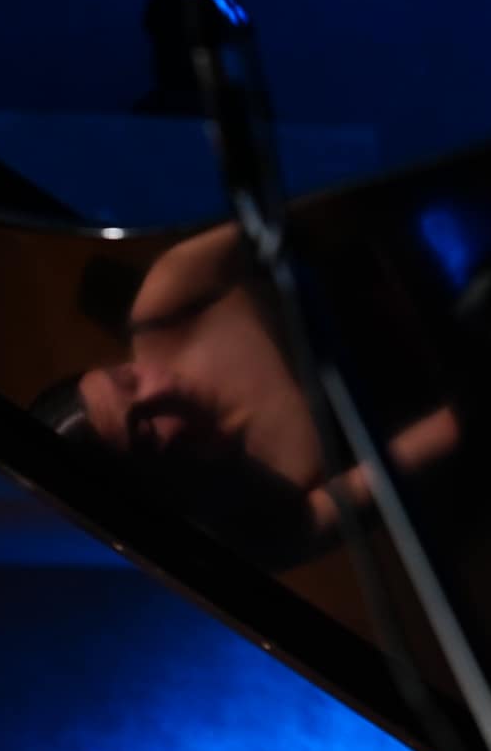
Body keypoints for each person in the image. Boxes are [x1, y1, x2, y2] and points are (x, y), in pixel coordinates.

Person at [34, 223, 459, 568]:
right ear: (153, 487)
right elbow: (436, 438)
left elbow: (291, 200)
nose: (160, 388)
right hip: (457, 357)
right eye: (146, 431)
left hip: (407, 242)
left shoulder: (163, 309)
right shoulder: (251, 522)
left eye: (126, 378)